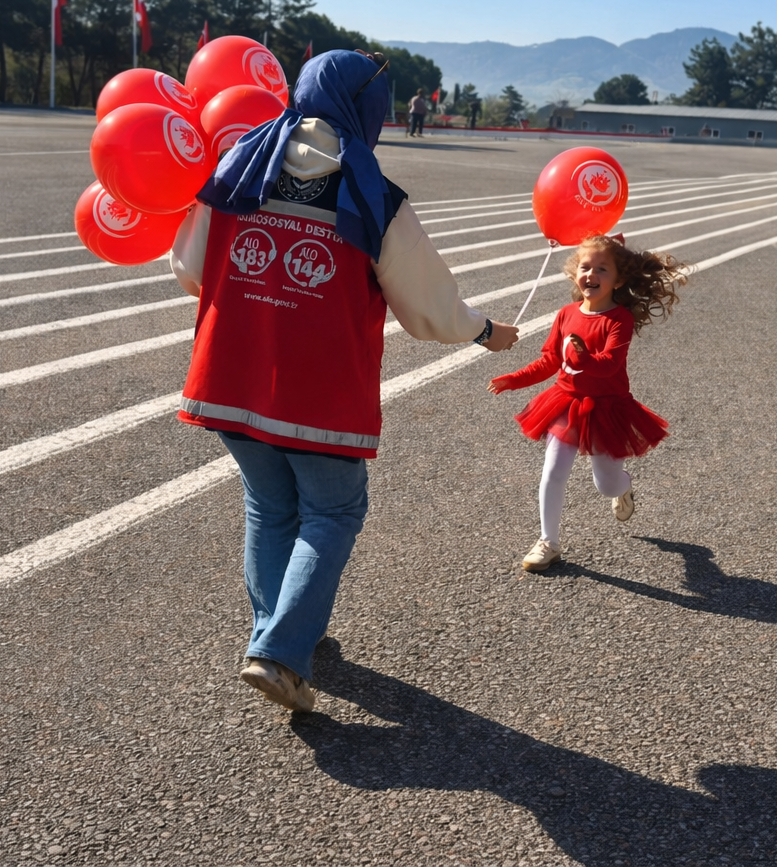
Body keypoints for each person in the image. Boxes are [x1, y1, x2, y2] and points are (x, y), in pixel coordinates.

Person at [170, 49, 520, 713]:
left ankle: (279, 634)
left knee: (269, 508)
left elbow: (189, 268)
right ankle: (280, 652)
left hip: (229, 377)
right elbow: (428, 305)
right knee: (333, 511)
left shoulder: (238, 165)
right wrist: (483, 331)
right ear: (369, 110)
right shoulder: (372, 194)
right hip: (319, 392)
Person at [487, 235, 687, 572]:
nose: (591, 274)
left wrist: (583, 358)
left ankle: (623, 488)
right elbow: (550, 361)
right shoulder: (566, 314)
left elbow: (609, 363)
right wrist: (514, 379)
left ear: (618, 280)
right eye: (585, 267)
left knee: (605, 484)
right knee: (552, 471)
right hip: (566, 402)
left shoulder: (618, 319)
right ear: (574, 273)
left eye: (602, 269)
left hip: (608, 407)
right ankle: (548, 542)